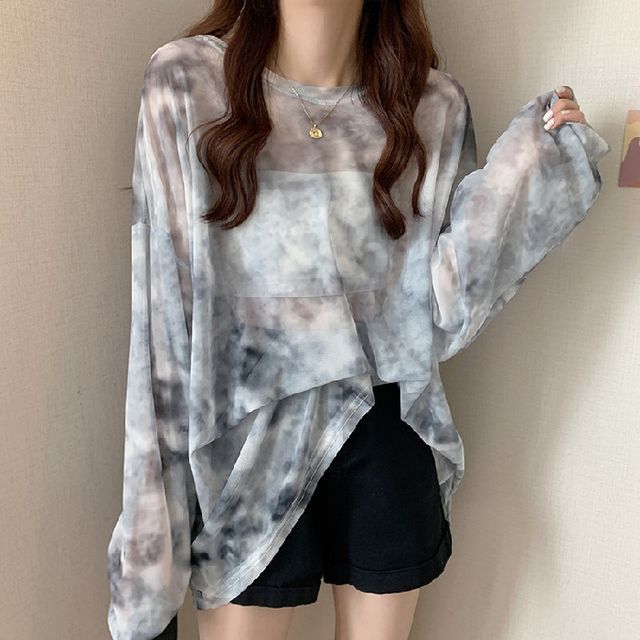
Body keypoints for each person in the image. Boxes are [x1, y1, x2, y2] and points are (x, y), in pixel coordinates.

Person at [106, 1, 610, 639]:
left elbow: (439, 311)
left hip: (387, 436)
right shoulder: (186, 83)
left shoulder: (431, 106)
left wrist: (532, 170)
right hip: (247, 453)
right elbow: (162, 340)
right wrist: (147, 565)